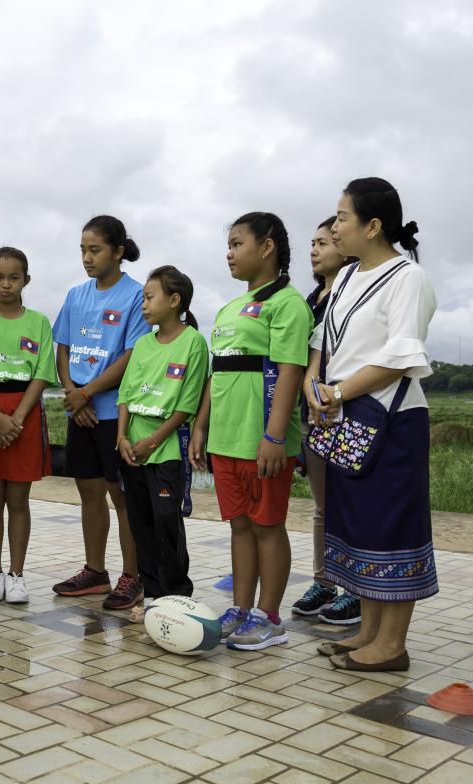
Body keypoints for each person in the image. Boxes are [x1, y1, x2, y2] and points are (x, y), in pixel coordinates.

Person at [306, 178, 437, 672]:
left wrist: (337, 392)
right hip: (343, 416)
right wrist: (314, 386)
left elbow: (401, 358)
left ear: (373, 225)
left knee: (391, 526)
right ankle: (368, 631)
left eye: (342, 217)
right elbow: (324, 341)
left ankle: (392, 645)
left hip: (391, 421)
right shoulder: (344, 277)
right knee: (357, 523)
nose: (334, 226)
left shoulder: (407, 277)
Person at [190, 212, 312, 651]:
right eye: (229, 245)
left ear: (267, 246)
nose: (229, 253)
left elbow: (290, 370)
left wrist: (275, 436)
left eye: (238, 243)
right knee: (239, 527)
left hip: (263, 441)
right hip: (226, 438)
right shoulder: (226, 308)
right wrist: (201, 425)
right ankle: (240, 609)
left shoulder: (287, 304)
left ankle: (270, 616)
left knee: (267, 526)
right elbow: (216, 373)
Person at [51, 215, 150, 611]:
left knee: (121, 495)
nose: (87, 258)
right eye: (82, 250)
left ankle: (133, 576)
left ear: (118, 252)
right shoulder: (76, 295)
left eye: (95, 250)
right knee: (89, 493)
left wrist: (90, 392)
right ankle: (96, 570)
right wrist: (73, 393)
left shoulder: (136, 296)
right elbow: (62, 345)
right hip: (81, 412)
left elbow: (132, 355)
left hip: (114, 414)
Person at [0, 247, 56, 604]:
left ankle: (17, 575)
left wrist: (16, 419)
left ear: (26, 281)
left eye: (14, 277)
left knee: (19, 498)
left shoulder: (39, 322)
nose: (6, 284)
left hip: (26, 412)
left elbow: (43, 372)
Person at [116, 266, 208, 621]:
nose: (144, 304)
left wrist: (153, 441)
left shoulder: (193, 343)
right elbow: (126, 394)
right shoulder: (142, 343)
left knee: (167, 521)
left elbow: (187, 402)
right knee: (141, 525)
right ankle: (153, 595)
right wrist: (122, 438)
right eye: (143, 298)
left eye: (150, 297)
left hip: (165, 451)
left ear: (174, 300)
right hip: (132, 451)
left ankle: (177, 595)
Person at [291, 218, 361, 626]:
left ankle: (356, 588)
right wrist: (311, 394)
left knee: (351, 503)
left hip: (349, 409)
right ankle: (324, 580)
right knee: (322, 506)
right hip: (313, 412)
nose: (315, 250)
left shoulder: (355, 291)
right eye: (312, 243)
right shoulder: (310, 299)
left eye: (324, 241)